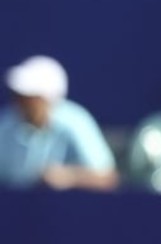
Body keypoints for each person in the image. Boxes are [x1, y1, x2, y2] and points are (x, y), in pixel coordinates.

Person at [0, 55, 118, 191]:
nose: (21, 102)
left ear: (48, 100)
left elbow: (108, 178)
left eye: (30, 97)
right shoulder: (6, 122)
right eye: (19, 96)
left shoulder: (76, 122)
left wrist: (69, 177)